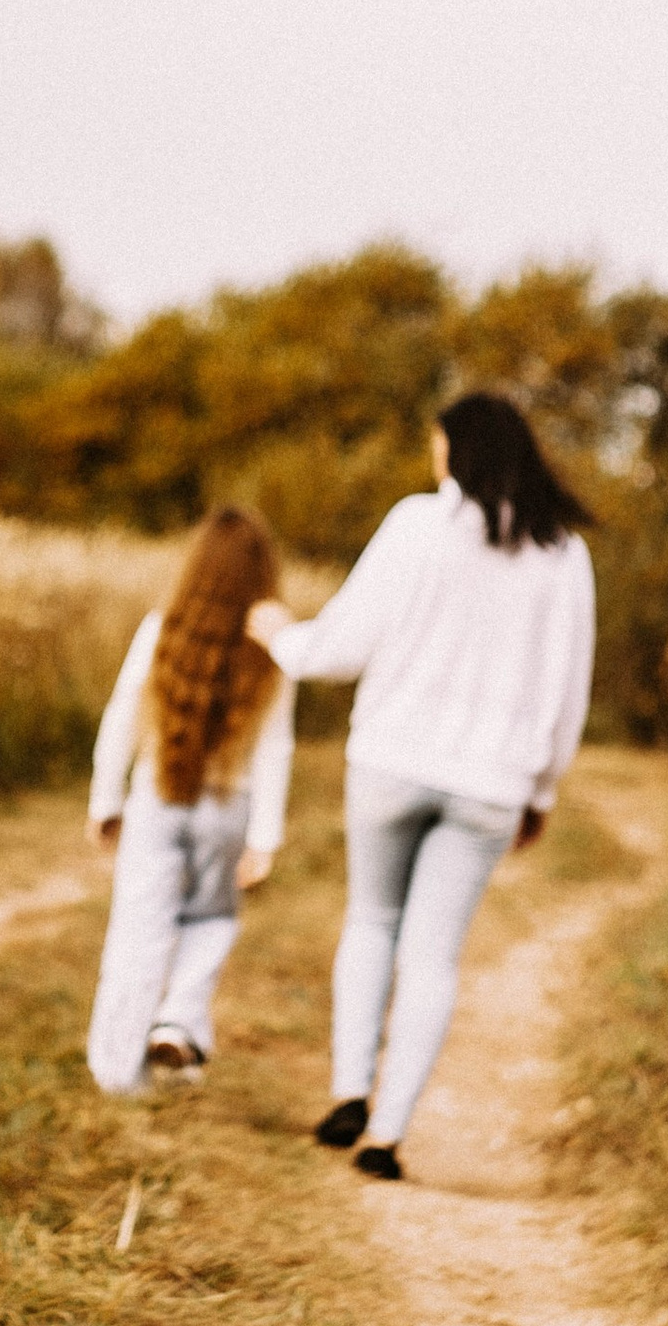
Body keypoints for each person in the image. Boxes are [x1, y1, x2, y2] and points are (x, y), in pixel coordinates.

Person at [247, 393, 594, 1182]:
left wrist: (282, 641)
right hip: (490, 785)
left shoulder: (415, 525)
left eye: (436, 445)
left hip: (391, 763)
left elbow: (343, 642)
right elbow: (566, 686)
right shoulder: (563, 552)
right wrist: (542, 788)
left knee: (371, 919)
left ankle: (348, 1091)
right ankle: (388, 1137)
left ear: (456, 451)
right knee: (434, 956)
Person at [86, 507, 296, 1096]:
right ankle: (178, 1022)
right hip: (229, 806)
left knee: (139, 930)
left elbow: (123, 715)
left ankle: (116, 1071)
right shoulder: (273, 648)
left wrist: (106, 799)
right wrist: (264, 835)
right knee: (210, 918)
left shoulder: (162, 627)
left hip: (158, 795)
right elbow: (277, 745)